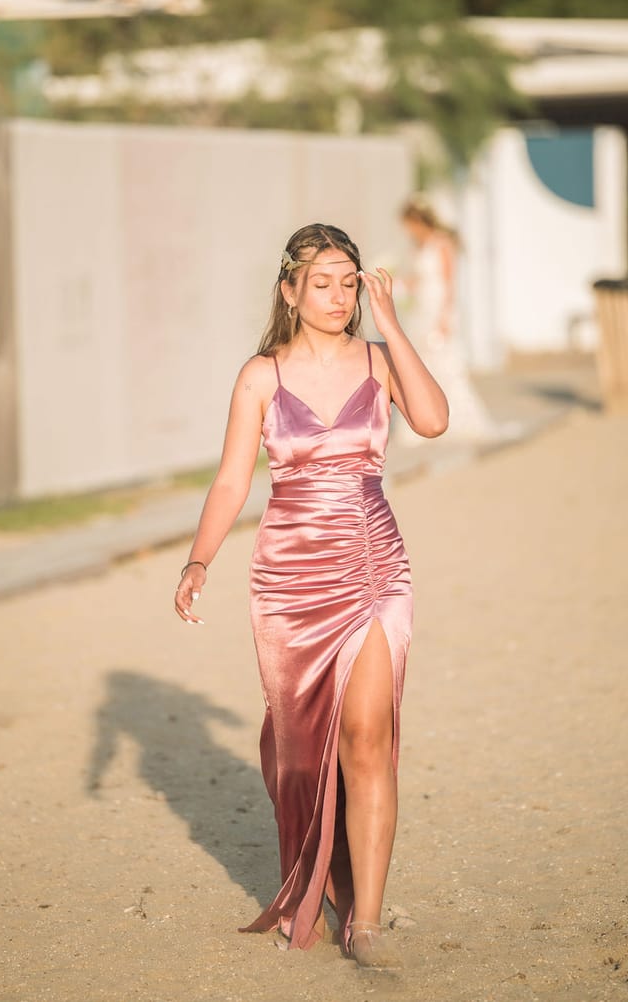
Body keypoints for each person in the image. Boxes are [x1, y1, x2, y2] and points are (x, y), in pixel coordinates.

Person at [173, 223, 448, 970]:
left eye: (349, 283)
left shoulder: (380, 359)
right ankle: (316, 880)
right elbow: (233, 480)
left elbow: (433, 420)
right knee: (297, 753)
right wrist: (198, 560)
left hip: (372, 565)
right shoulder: (260, 376)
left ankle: (370, 920)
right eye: (322, 283)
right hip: (290, 578)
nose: (338, 297)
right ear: (289, 291)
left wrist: (392, 325)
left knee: (367, 736)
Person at [400, 197, 505, 443]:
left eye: (410, 224)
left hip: (439, 309)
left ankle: (456, 418)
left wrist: (445, 317)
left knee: (445, 362)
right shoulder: (417, 247)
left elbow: (450, 283)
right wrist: (396, 283)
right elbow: (417, 281)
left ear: (418, 221)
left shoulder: (442, 243)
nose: (408, 230)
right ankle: (424, 418)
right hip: (422, 309)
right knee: (421, 364)